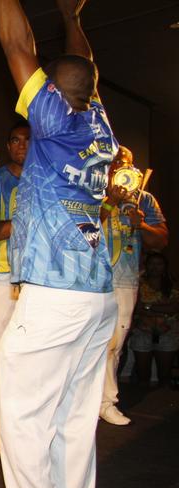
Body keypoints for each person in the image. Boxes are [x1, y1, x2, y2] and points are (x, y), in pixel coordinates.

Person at [0, 0, 119, 488]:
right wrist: (72, 17)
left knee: (23, 418)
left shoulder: (53, 122)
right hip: (97, 296)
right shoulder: (99, 124)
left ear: (49, 94)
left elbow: (16, 45)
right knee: (72, 416)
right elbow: (84, 69)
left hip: (55, 296)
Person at [99, 146, 168, 423]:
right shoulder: (93, 192)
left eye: (123, 163)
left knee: (114, 345)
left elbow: (161, 240)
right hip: (90, 279)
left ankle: (106, 402)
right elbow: (82, 229)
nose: (118, 167)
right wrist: (109, 203)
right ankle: (83, 400)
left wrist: (141, 225)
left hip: (125, 281)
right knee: (90, 342)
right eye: (113, 163)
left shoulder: (144, 199)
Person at [0, 119, 30, 454]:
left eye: (27, 140)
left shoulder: (45, 178)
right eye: (14, 140)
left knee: (29, 354)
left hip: (39, 279)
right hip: (1, 276)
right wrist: (23, 223)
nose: (20, 146)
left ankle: (22, 422)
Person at [130, 252, 177, 387]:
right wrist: (162, 307)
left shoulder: (172, 283)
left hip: (167, 332)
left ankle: (161, 404)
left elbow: (174, 308)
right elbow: (135, 307)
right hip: (142, 331)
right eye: (151, 263)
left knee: (164, 375)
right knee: (143, 375)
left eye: (159, 264)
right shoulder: (138, 283)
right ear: (146, 265)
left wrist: (148, 307)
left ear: (165, 266)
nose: (155, 267)